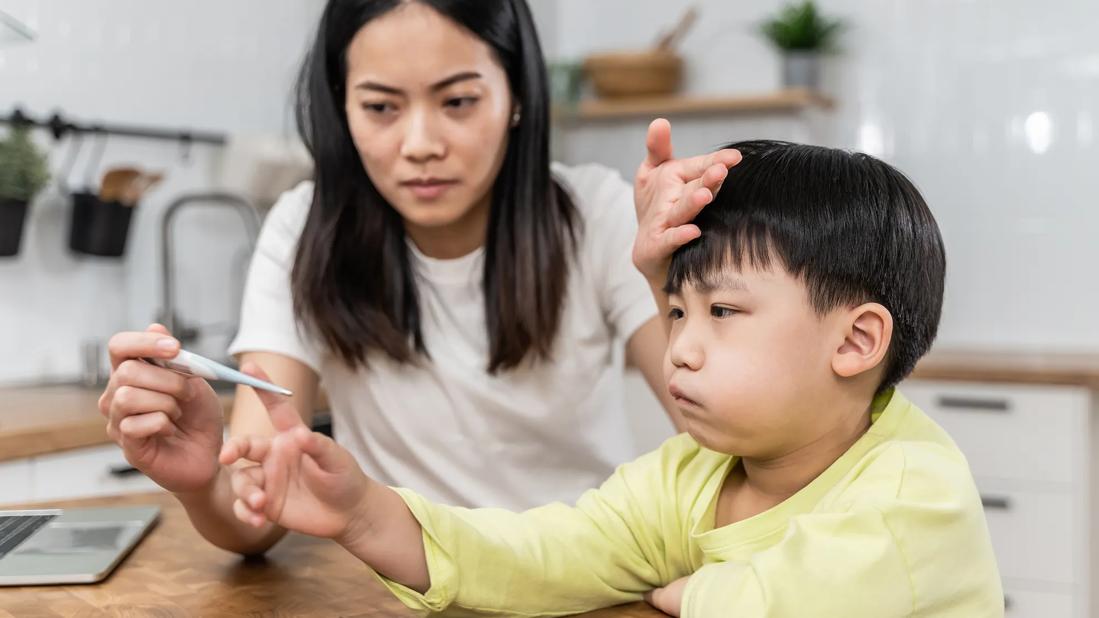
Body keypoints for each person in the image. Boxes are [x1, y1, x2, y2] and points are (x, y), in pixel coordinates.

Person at [219, 140, 1004, 617]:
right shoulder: (687, 474)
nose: (681, 350)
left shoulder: (914, 493)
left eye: (722, 312)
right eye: (675, 312)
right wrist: (363, 514)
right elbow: (546, 551)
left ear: (856, 340)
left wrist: (692, 592)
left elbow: (783, 606)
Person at [99, 0, 741, 556]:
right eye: (380, 107)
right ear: (340, 107)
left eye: (458, 101)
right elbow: (259, 510)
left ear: (516, 95)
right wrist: (197, 484)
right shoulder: (304, 229)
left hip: (587, 574)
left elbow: (727, 442)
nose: (420, 143)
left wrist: (672, 279)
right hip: (398, 585)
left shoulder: (597, 216)